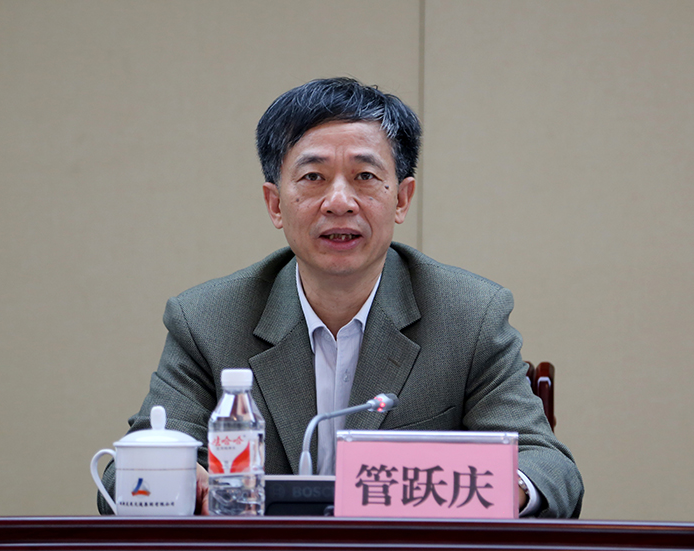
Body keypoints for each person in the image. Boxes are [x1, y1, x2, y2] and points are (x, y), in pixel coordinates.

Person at [99, 77, 583, 517]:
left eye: (365, 176)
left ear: (401, 199)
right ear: (275, 203)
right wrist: (173, 481)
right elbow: (124, 478)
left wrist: (500, 487)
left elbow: (548, 468)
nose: (338, 201)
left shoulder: (468, 315)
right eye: (313, 177)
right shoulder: (208, 320)